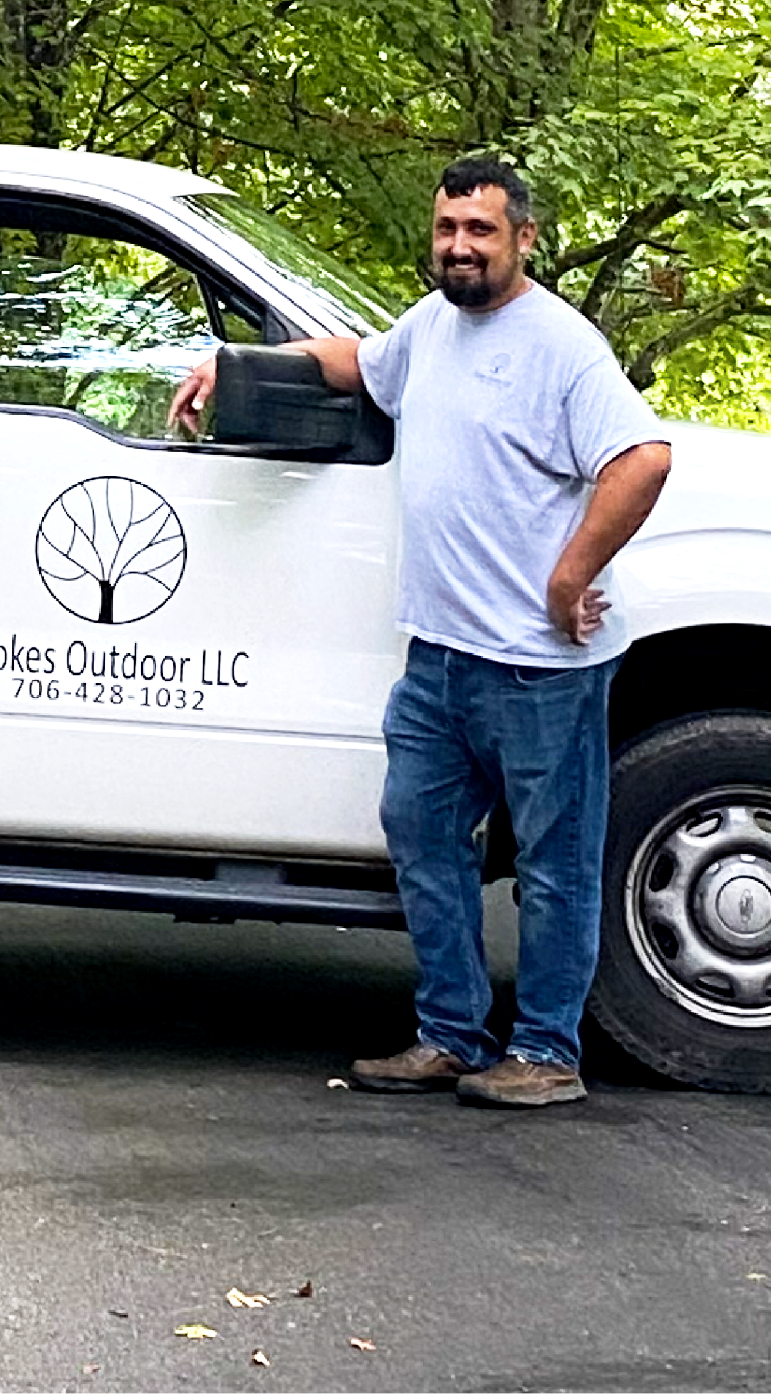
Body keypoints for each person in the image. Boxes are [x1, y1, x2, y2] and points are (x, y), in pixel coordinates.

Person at [172, 156, 672, 1108]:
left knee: (555, 865)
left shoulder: (563, 347)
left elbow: (642, 458)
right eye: (447, 228)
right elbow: (357, 360)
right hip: (440, 659)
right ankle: (449, 1032)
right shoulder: (432, 329)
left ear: (523, 237)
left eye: (480, 230)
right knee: (420, 830)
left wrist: (571, 572)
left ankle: (546, 1052)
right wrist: (233, 366)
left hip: (539, 667)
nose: (460, 246)